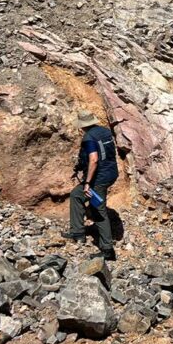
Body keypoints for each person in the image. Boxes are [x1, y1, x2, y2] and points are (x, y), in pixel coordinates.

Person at [63, 110, 119, 260]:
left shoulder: (88, 137)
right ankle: (78, 232)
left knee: (97, 208)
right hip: (111, 173)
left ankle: (107, 249)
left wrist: (87, 182)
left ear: (82, 125)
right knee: (76, 194)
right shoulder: (105, 132)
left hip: (98, 178)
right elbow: (106, 154)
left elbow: (93, 159)